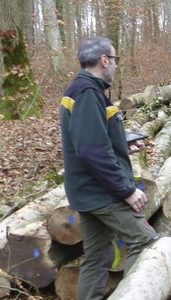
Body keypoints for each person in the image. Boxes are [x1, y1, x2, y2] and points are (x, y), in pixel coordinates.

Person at [60, 37, 158, 299]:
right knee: (145, 241)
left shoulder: (83, 90)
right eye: (114, 60)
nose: (115, 66)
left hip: (88, 191)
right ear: (104, 60)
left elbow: (92, 140)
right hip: (101, 192)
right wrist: (126, 190)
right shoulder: (88, 93)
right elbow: (90, 150)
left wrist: (122, 147)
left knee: (98, 256)